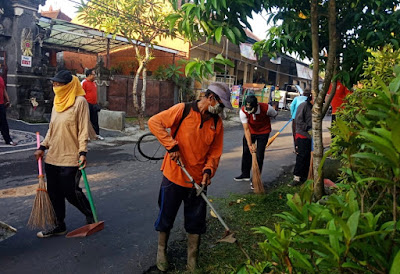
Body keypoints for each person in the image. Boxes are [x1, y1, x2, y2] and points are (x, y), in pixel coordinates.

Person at [148, 82, 233, 272]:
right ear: (211, 99)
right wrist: (172, 146)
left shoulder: (216, 123)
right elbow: (154, 122)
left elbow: (215, 152)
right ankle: (161, 251)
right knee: (166, 216)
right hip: (174, 175)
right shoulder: (183, 110)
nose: (221, 110)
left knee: (196, 222)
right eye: (221, 105)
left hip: (197, 182)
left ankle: (192, 259)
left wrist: (208, 171)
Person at [34, 70, 94, 238]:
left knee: (70, 191)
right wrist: (43, 147)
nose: (55, 87)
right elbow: (52, 128)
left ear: (68, 85)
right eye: (54, 83)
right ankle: (59, 225)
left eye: (59, 84)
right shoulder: (57, 100)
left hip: (71, 156)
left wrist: (83, 152)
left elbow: (83, 130)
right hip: (53, 156)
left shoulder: (80, 102)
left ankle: (89, 214)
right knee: (54, 193)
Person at [234, 95, 278, 189]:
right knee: (246, 152)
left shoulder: (267, 108)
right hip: (251, 131)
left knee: (259, 155)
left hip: (264, 132)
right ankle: (245, 174)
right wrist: (250, 145)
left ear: (256, 105)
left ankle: (255, 178)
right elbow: (246, 129)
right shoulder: (243, 111)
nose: (249, 111)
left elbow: (274, 114)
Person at [289, 92, 313, 187]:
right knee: (301, 156)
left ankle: (305, 176)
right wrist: (307, 128)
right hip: (302, 134)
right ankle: (297, 177)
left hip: (311, 136)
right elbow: (298, 120)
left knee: (308, 156)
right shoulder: (303, 106)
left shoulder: (315, 108)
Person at [82, 69, 104, 140]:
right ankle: (86, 135)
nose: (95, 76)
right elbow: (81, 94)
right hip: (87, 104)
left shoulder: (94, 83)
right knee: (86, 120)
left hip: (93, 104)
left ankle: (96, 134)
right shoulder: (84, 83)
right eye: (93, 74)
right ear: (89, 75)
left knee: (95, 120)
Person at [0, 75, 16, 146]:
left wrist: (8, 99)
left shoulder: (1, 78)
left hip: (1, 103)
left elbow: (3, 89)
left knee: (4, 123)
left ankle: (8, 140)